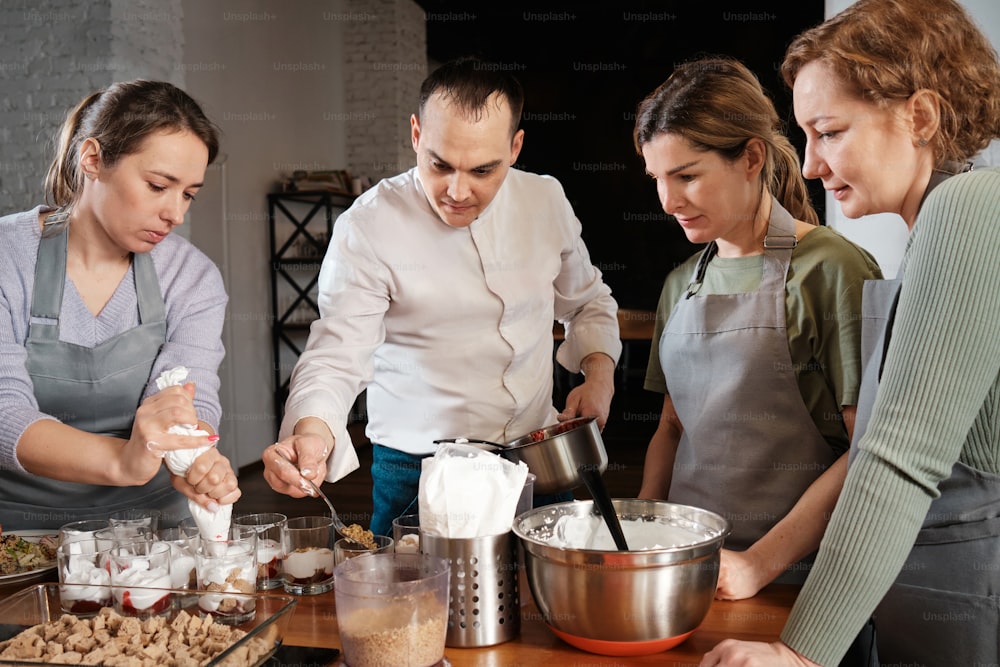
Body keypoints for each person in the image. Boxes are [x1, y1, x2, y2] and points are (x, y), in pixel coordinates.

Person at [700, 1, 1000, 665]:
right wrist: (758, 563)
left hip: (965, 610)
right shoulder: (934, 230)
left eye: (829, 131)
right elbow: (873, 454)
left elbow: (900, 455)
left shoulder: (969, 209)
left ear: (919, 116)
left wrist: (799, 651)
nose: (808, 165)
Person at [263, 56, 621, 536]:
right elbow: (336, 354)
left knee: (545, 607)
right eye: (440, 164)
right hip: (419, 471)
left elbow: (587, 301)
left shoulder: (545, 200)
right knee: (415, 610)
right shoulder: (368, 227)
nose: (457, 190)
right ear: (415, 135)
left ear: (515, 148)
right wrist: (310, 432)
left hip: (539, 456)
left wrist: (599, 372)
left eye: (482, 170)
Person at [634, 57, 882, 600]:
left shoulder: (831, 270)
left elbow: (871, 450)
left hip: (800, 581)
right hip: (687, 575)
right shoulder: (682, 284)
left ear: (751, 157)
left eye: (687, 175)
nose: (668, 202)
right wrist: (641, 532)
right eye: (658, 180)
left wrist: (756, 565)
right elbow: (672, 430)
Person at [0, 80, 240, 531]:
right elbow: (5, 413)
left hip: (156, 534)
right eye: (157, 185)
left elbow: (190, 393)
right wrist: (123, 462)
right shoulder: (6, 260)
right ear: (93, 160)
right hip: (21, 538)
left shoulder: (191, 277)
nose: (176, 214)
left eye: (188, 193)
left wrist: (195, 454)